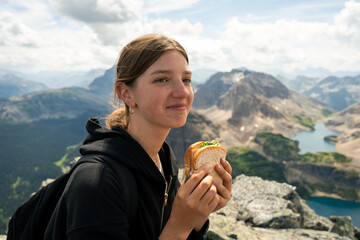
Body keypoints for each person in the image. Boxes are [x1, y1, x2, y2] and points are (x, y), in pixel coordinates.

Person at [44, 33, 232, 239]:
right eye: (162, 79)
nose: (183, 92)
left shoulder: (164, 158)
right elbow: (174, 231)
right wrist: (180, 226)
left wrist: (197, 217)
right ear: (126, 94)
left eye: (186, 79)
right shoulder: (97, 181)